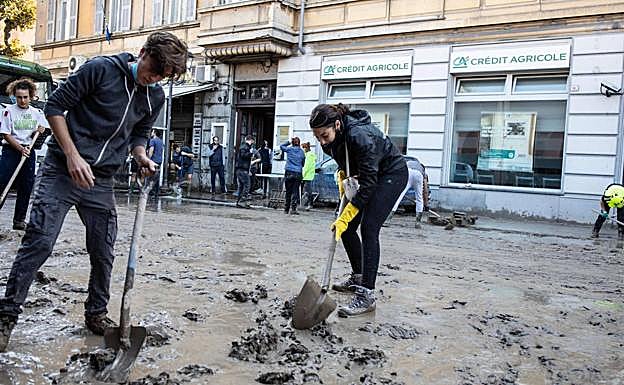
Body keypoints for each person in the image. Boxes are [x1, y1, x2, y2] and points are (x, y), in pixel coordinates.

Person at [0, 31, 188, 352]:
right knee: (40, 241)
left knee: (103, 250)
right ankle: (6, 318)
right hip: (63, 169)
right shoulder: (100, 69)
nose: (153, 79)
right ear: (142, 53)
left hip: (100, 180)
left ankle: (97, 313)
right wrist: (72, 155)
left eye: (162, 77)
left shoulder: (154, 96)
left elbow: (139, 133)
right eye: (153, 71)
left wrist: (141, 154)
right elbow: (56, 107)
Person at [309, 103, 407, 317]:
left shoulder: (360, 136)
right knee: (346, 228)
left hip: (391, 175)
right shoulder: (330, 142)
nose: (322, 142)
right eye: (318, 137)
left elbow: (370, 183)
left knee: (369, 228)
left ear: (337, 124)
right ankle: (359, 275)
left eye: (324, 135)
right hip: (366, 177)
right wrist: (345, 178)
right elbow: (350, 166)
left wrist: (350, 210)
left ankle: (367, 295)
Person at [0, 78, 49, 230]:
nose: (22, 100)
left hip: (29, 152)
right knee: (2, 183)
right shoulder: (8, 111)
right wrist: (20, 148)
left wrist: (39, 131)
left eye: (25, 97)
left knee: (26, 186)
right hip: (11, 151)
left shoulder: (37, 113)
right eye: (19, 97)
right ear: (14, 96)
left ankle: (19, 220)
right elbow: (6, 134)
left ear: (31, 96)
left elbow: (42, 131)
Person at [389, 159, 428, 228]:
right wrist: (426, 205)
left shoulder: (408, 163)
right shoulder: (422, 171)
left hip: (407, 172)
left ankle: (388, 219)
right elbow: (425, 191)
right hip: (418, 175)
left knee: (399, 196)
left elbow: (399, 173)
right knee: (419, 198)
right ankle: (417, 223)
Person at [280, 137, 305, 215]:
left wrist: (288, 142)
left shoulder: (289, 149)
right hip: (298, 172)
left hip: (289, 172)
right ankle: (293, 209)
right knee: (295, 191)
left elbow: (281, 146)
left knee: (288, 191)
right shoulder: (302, 152)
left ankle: (286, 209)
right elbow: (303, 163)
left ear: (293, 143)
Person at [235, 135, 255, 208]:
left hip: (241, 169)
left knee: (241, 186)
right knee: (247, 185)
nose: (253, 143)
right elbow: (243, 155)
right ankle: (242, 202)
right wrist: (250, 154)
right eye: (252, 141)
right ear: (251, 140)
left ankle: (239, 202)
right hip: (242, 169)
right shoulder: (244, 147)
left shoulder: (244, 146)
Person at [147, 129, 164, 197]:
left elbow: (151, 151)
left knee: (151, 176)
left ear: (155, 133)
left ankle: (152, 192)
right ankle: (156, 192)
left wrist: (148, 159)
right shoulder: (161, 141)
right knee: (156, 176)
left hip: (153, 161)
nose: (151, 133)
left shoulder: (152, 140)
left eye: (152, 132)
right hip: (159, 161)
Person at [301, 142, 316, 210]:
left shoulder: (309, 156)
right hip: (309, 174)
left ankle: (310, 204)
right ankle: (308, 203)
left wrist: (302, 175)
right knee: (307, 190)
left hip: (307, 175)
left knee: (308, 190)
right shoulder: (309, 155)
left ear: (306, 148)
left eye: (303, 148)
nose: (302, 149)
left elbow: (306, 167)